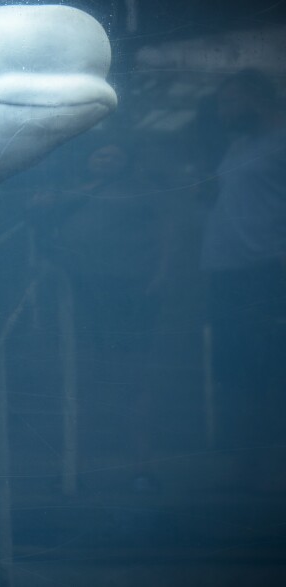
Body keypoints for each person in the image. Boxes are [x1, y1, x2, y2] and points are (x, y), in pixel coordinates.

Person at [200, 69, 286, 486]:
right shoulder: (238, 145)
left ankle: (265, 466)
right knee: (235, 369)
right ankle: (245, 465)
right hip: (225, 270)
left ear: (257, 97)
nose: (223, 112)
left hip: (266, 270)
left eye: (230, 102)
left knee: (267, 367)